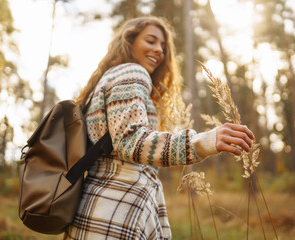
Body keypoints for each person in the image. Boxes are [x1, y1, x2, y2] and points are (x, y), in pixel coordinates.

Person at [63, 16, 254, 240]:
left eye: (163, 46)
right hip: (117, 211)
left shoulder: (110, 77)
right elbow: (130, 141)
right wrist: (203, 142)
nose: (159, 50)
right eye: (151, 41)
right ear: (129, 41)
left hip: (99, 208)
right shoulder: (132, 73)